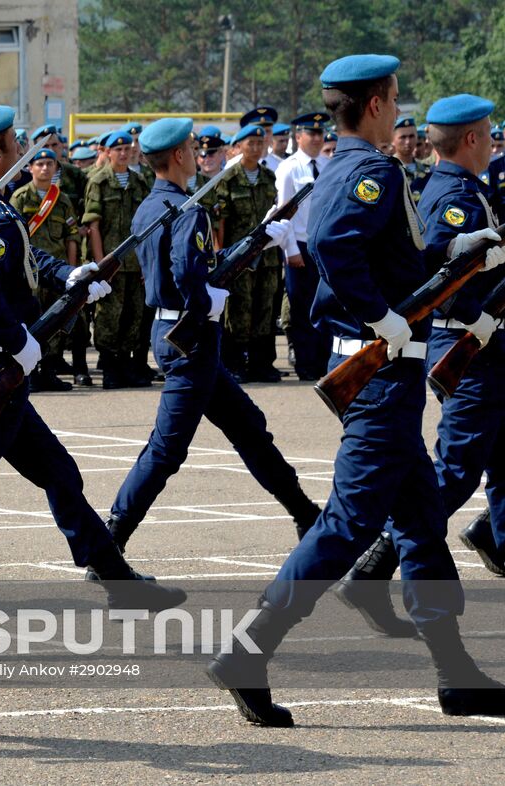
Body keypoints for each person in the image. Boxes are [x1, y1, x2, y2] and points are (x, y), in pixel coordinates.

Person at [207, 55, 505, 727]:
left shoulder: (347, 166)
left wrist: (463, 251)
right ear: (374, 105)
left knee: (425, 528)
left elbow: (399, 259)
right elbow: (338, 251)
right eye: (395, 98)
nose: (401, 110)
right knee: (346, 525)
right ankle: (247, 652)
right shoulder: (371, 171)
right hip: (378, 373)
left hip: (388, 374)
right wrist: (380, 316)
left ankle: (456, 676)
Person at [0, 105, 184, 611]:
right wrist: (18, 341)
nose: (19, 146)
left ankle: (114, 577)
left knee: (58, 473)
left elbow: (23, 259)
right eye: (12, 140)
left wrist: (68, 276)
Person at [104, 116, 321, 562]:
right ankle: (109, 539)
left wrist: (258, 239)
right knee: (166, 451)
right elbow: (190, 274)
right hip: (192, 337)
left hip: (175, 334)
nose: (205, 153)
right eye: (192, 146)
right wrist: (207, 302)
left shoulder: (152, 205)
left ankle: (306, 514)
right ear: (181, 155)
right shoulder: (189, 209)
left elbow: (199, 261)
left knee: (249, 429)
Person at [413, 95, 505, 576]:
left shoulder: (469, 187)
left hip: (486, 344)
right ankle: (380, 555)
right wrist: (477, 317)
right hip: (468, 346)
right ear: (471, 139)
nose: (494, 142)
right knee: (455, 469)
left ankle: (497, 538)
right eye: (489, 134)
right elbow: (440, 281)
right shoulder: (453, 198)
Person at [216, 124, 287, 382]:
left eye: (260, 143)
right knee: (238, 310)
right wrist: (219, 257)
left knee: (265, 309)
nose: (256, 148)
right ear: (238, 146)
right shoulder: (227, 179)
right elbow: (220, 223)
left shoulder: (269, 177)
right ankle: (234, 363)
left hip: (267, 257)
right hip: (239, 258)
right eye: (251, 143)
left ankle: (261, 363)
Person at [10, 147, 85, 389]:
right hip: (29, 272)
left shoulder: (62, 200)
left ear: (56, 168)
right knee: (31, 320)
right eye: (39, 164)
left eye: (49, 164)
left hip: (56, 272)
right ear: (30, 168)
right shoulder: (20, 197)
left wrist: (70, 270)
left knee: (56, 321)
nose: (44, 168)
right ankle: (30, 374)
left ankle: (50, 371)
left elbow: (71, 236)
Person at [84, 130, 152, 388]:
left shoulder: (139, 182)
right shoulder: (99, 181)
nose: (124, 153)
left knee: (133, 314)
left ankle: (127, 365)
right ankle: (110, 366)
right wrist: (103, 264)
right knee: (109, 316)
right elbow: (94, 225)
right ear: (108, 152)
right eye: (118, 149)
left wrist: (146, 262)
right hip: (112, 261)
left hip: (136, 262)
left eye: (127, 148)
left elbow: (146, 226)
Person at [275, 112, 334, 381]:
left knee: (326, 304)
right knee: (301, 308)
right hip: (298, 244)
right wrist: (290, 250)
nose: (317, 138)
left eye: (320, 133)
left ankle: (323, 361)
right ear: (298, 137)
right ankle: (306, 364)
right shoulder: (289, 167)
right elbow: (283, 212)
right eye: (311, 133)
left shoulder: (328, 164)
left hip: (322, 246)